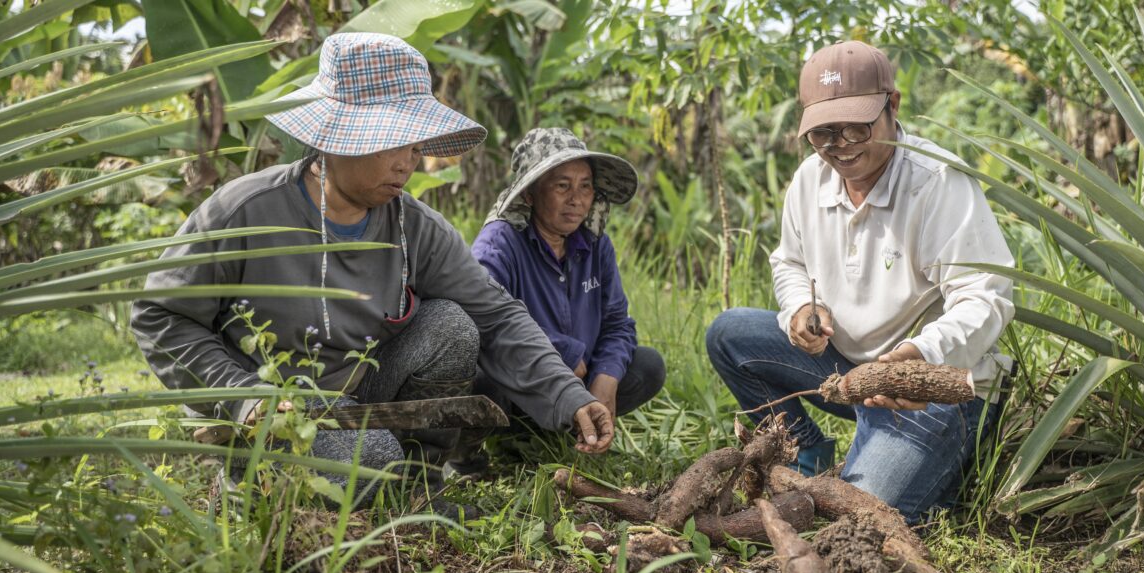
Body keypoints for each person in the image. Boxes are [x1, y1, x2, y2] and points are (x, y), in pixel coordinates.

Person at [131, 34, 613, 511]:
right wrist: (243, 396)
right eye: (393, 143)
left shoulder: (414, 225)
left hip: (358, 391)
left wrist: (568, 395)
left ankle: (422, 481)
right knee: (373, 468)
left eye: (414, 144)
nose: (408, 163)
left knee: (451, 327)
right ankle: (252, 477)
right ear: (333, 139)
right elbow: (161, 317)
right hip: (272, 403)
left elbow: (496, 314)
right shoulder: (245, 211)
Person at [705, 40, 1015, 522]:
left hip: (929, 387)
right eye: (824, 134)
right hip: (847, 371)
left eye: (857, 128)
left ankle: (944, 458)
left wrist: (920, 358)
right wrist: (800, 311)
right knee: (730, 334)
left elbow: (986, 298)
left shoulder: (936, 182)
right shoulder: (810, 180)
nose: (842, 146)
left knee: (855, 517)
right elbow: (789, 263)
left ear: (892, 105)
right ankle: (806, 452)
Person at [472, 127, 665, 422]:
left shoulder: (595, 243)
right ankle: (511, 439)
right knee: (479, 379)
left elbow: (617, 323)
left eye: (585, 186)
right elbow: (485, 324)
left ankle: (579, 423)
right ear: (530, 193)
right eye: (563, 186)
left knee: (648, 366)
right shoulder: (498, 246)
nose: (577, 199)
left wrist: (606, 376)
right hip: (523, 390)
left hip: (582, 381)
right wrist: (562, 354)